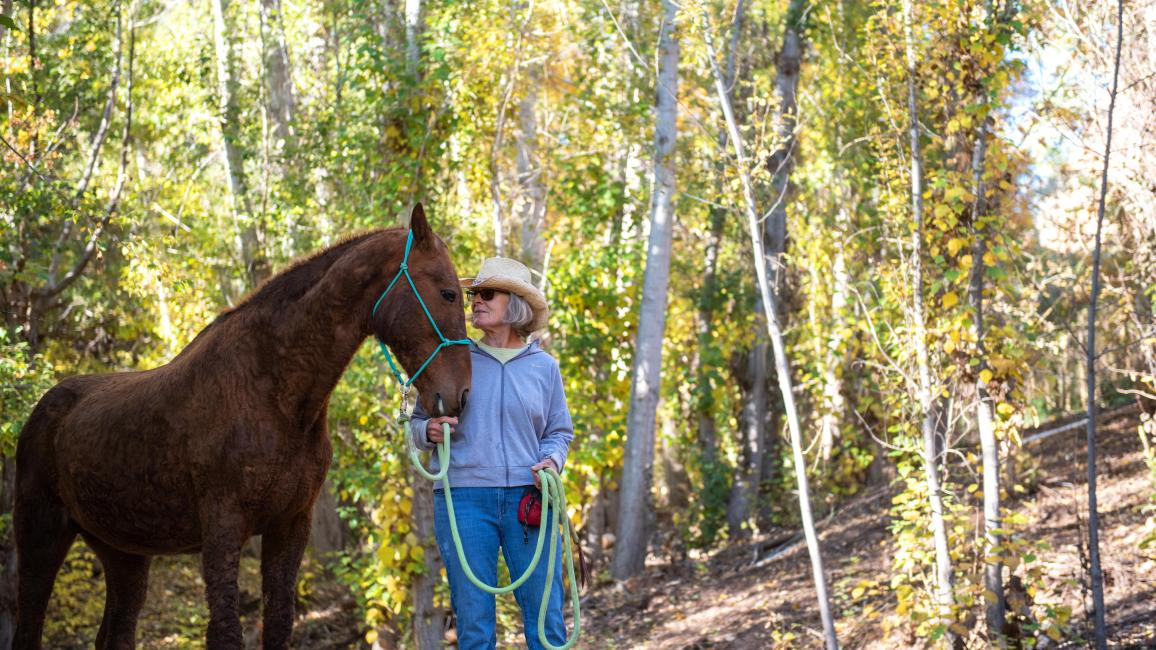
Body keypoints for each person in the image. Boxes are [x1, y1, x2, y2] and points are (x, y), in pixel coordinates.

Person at [410, 256, 573, 650]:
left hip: (529, 499)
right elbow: (416, 423)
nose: (474, 302)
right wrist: (428, 430)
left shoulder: (544, 368)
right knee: (474, 626)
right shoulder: (451, 357)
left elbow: (559, 431)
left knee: (546, 622)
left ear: (514, 303)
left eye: (486, 294)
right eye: (473, 295)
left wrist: (551, 460)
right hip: (463, 499)